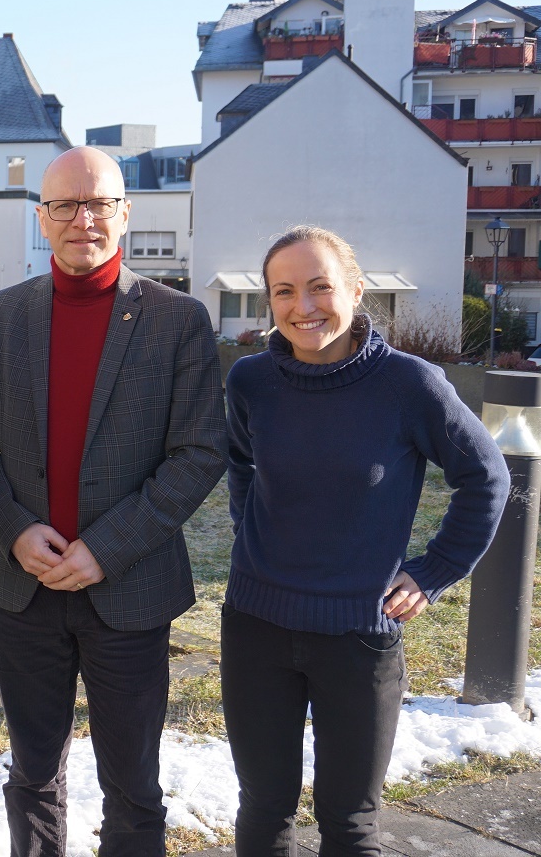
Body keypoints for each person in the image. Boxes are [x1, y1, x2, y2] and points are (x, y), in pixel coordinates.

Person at [0, 145, 227, 857]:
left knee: (133, 786)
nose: (84, 219)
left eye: (99, 203)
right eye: (65, 206)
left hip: (130, 593)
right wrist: (14, 530)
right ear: (42, 218)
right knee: (32, 776)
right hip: (26, 592)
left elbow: (200, 453)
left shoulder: (177, 320)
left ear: (125, 213)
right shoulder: (3, 317)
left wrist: (106, 549)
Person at [222, 226, 506, 855]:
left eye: (320, 287)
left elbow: (486, 476)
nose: (303, 306)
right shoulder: (251, 381)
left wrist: (434, 571)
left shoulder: (409, 385)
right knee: (263, 809)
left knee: (350, 823)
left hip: (358, 635)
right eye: (284, 291)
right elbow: (240, 461)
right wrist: (250, 531)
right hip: (255, 625)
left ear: (355, 290)